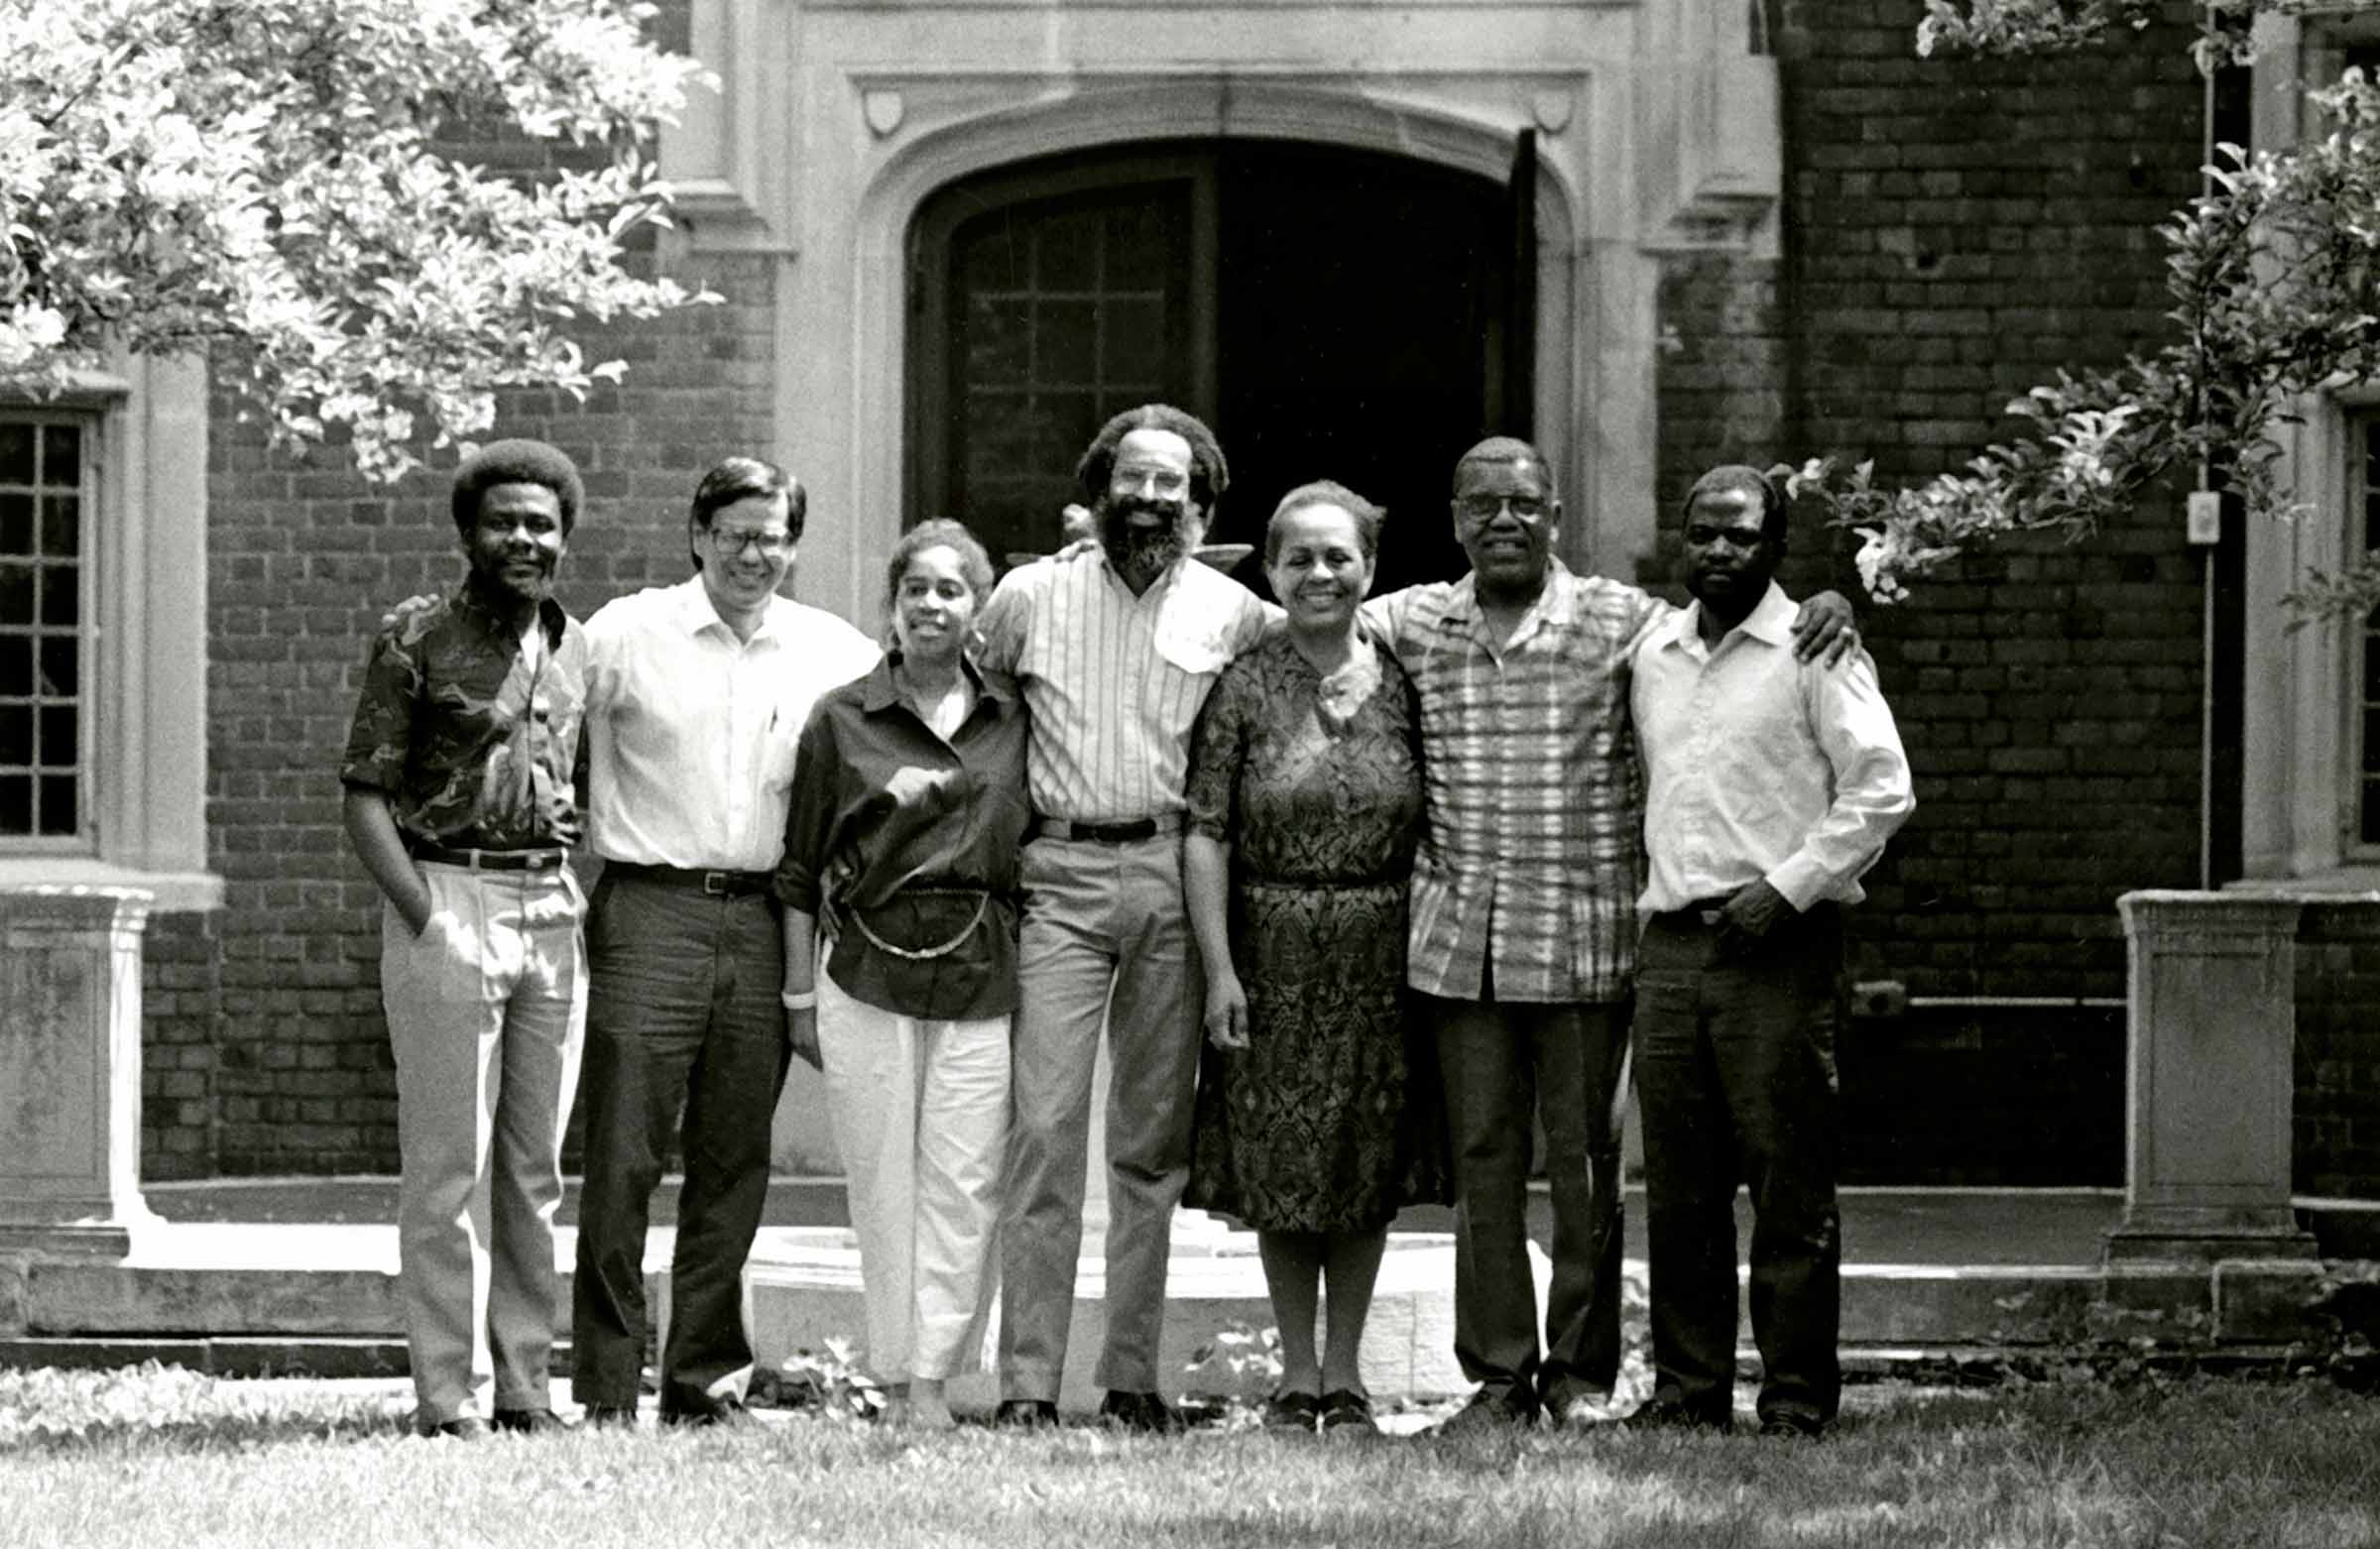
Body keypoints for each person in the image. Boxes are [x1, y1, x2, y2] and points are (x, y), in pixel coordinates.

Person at [1364, 438, 1855, 1432]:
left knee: (1588, 1168)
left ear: (1556, 517)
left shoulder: (1626, 625)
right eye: (1484, 504)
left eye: (1526, 504)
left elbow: (1735, 621)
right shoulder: (1409, 622)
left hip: (1587, 939)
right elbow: (1307, 608)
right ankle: (1499, 1376)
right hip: (1461, 943)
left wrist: (1828, 603)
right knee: (1484, 1165)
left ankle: (1580, 1376)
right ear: (1455, 517)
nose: (1505, 520)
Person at [974, 404, 1273, 1431]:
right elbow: (962, 699)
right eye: (1133, 481)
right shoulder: (1027, 596)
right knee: (1046, 1129)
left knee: (1149, 1144)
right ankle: (1026, 1382)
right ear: (1099, 489)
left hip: (1171, 877)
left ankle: (1131, 1377)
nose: (1151, 500)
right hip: (1057, 872)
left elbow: (1331, 649)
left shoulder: (1236, 612)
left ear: (1201, 503)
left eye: (1172, 485)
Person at [570, 455, 880, 1427]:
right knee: (622, 1154)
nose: (757, 554)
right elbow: (540, 727)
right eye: (738, 533)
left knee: (734, 1155)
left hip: (764, 920)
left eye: (775, 536)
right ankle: (610, 1383)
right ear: (698, 533)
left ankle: (704, 1380)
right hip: (648, 913)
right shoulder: (626, 631)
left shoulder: (832, 650)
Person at [1628, 465, 1912, 1439]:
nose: (1716, 550)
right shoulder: (1653, 650)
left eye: (1739, 536)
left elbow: (1881, 787)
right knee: (1680, 1188)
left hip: (1776, 946)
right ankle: (1687, 1393)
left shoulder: (1815, 648)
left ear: (1775, 547)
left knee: (1787, 1182)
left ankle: (1793, 1397)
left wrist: (1785, 889)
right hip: (1670, 946)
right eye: (1701, 532)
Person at [1181, 481, 1448, 1437]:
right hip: (1270, 951)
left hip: (1384, 955)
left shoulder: (1407, 679)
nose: (1320, 574)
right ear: (1271, 569)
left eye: (1340, 558)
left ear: (1370, 571)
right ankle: (1297, 1378)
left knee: (1363, 1164)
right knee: (1282, 1167)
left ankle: (1348, 1377)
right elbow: (1206, 830)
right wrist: (1220, 970)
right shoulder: (1246, 684)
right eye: (1300, 557)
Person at [339, 439, 593, 1439]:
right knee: (449, 1169)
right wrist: (424, 914)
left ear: (564, 537)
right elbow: (364, 798)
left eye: (543, 524)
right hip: (449, 901)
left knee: (534, 1168)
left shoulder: (576, 644)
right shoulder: (416, 635)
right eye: (506, 522)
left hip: (550, 915)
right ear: (469, 533)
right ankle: (451, 1397)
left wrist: (583, 885)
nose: (524, 539)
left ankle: (526, 1386)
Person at [774, 520, 1029, 1432]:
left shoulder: (1013, 717)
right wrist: (800, 996)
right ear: (891, 605)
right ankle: (893, 1379)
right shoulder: (843, 717)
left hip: (981, 973)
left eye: (951, 589)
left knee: (966, 1182)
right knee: (884, 1180)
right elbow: (799, 869)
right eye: (915, 588)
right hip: (865, 973)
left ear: (978, 608)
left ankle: (937, 1383)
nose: (931, 604)